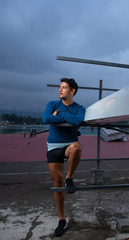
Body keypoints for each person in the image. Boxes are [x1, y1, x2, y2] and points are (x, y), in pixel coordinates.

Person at [43, 78, 86, 237]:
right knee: (57, 183)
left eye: (64, 87)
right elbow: (46, 118)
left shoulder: (79, 108)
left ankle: (70, 177)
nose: (60, 90)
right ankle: (62, 220)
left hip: (69, 145)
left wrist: (58, 117)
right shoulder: (52, 104)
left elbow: (79, 120)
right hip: (53, 146)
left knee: (77, 147)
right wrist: (67, 118)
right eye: (60, 88)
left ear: (72, 91)